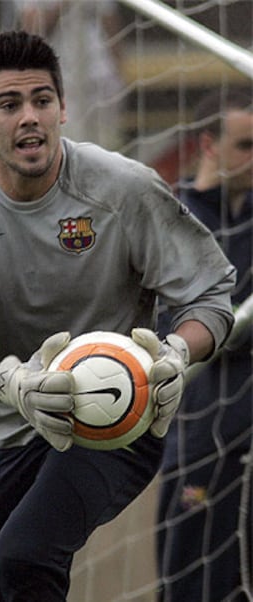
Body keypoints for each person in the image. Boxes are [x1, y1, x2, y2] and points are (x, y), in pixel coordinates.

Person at [0, 31, 236, 602]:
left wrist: (178, 352)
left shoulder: (124, 188)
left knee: (26, 552)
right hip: (9, 429)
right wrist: (16, 383)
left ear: (64, 107)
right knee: (6, 578)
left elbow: (210, 294)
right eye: (9, 105)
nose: (29, 117)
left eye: (42, 100)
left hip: (118, 420)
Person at [156, 89, 253, 602]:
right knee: (189, 584)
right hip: (198, 443)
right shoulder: (173, 218)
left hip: (249, 442)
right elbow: (173, 324)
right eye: (246, 145)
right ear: (208, 145)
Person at [15, 0, 125, 149]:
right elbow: (31, 28)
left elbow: (109, 19)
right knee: (69, 142)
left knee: (107, 142)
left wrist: (119, 65)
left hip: (100, 70)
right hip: (60, 75)